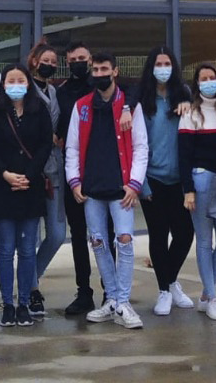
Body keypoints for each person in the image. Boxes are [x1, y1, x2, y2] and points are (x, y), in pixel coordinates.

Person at [65, 51, 148, 329]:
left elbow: (141, 147)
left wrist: (135, 183)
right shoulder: (82, 106)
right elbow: (72, 147)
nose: (99, 73)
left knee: (124, 241)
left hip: (121, 188)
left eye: (104, 69)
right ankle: (111, 299)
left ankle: (123, 302)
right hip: (91, 190)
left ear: (115, 71)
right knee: (98, 243)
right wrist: (74, 181)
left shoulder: (129, 106)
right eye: (96, 69)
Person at [0, 64, 54, 326]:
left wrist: (31, 175)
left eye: (20, 79)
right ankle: (7, 304)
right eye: (10, 80)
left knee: (26, 249)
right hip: (3, 187)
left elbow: (47, 144)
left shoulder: (39, 110)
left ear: (28, 83)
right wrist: (5, 174)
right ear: (3, 84)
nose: (15, 84)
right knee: (5, 250)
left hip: (31, 187)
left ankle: (24, 302)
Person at [132, 47, 195, 316]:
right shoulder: (142, 100)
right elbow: (137, 144)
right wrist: (141, 184)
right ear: (151, 67)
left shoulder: (184, 95)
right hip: (153, 180)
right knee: (158, 235)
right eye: (158, 63)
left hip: (180, 180)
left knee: (184, 234)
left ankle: (170, 280)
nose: (163, 67)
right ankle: (164, 291)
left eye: (167, 62)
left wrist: (188, 107)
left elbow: (194, 128)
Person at [181, 63, 216, 320]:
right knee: (205, 241)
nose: (208, 82)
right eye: (203, 78)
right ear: (196, 83)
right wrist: (187, 190)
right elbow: (184, 156)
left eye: (212, 77)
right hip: (201, 181)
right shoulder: (190, 113)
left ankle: (206, 294)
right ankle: (212, 297)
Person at [54, 40, 99, 316]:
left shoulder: (102, 87)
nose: (77, 63)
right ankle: (84, 293)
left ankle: (112, 292)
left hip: (103, 172)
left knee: (105, 235)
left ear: (91, 59)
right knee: (79, 236)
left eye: (81, 58)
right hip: (74, 172)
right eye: (72, 60)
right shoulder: (62, 92)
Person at [25, 41, 66, 319]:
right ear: (34, 61)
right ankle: (30, 290)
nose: (49, 64)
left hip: (54, 170)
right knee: (29, 237)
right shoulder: (23, 88)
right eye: (45, 60)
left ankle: (31, 278)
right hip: (29, 170)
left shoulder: (54, 91)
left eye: (53, 61)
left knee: (57, 234)